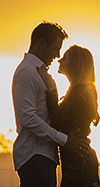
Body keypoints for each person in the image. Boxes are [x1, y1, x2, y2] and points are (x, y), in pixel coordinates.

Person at [13, 22, 88, 187]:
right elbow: (28, 117)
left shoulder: (38, 72)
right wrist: (64, 140)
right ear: (41, 44)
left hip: (42, 156)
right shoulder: (27, 72)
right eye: (55, 48)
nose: (58, 55)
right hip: (35, 155)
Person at [43, 45, 100, 187]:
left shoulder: (79, 92)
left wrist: (50, 89)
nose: (59, 60)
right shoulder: (81, 90)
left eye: (65, 58)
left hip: (78, 161)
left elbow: (56, 121)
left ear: (75, 64)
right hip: (79, 158)